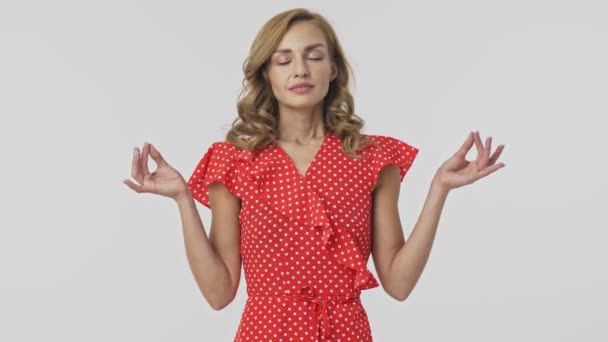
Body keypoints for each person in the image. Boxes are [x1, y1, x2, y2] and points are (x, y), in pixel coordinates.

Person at [123, 8, 505, 341]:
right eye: (283, 59)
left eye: (314, 56)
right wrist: (182, 200)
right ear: (267, 73)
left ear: (333, 68)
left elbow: (399, 283)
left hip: (346, 331)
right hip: (266, 333)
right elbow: (219, 293)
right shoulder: (236, 161)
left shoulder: (372, 157)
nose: (300, 69)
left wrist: (439, 189)